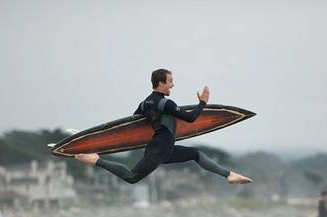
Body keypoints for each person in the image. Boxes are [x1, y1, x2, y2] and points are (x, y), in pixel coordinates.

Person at [75, 69, 252, 185]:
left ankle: (228, 174)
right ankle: (95, 160)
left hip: (163, 148)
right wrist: (202, 103)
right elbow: (190, 118)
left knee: (195, 153)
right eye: (170, 81)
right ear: (161, 83)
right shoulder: (165, 103)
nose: (172, 84)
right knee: (132, 176)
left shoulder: (145, 103)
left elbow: (134, 124)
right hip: (160, 148)